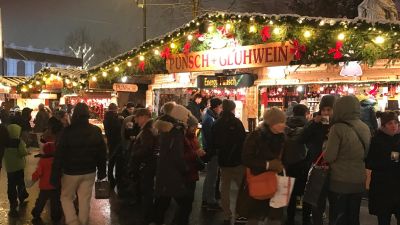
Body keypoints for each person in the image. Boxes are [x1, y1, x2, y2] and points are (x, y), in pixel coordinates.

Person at [52, 103, 107, 225]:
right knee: (84, 200)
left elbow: (59, 154)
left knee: (66, 197)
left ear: (74, 114)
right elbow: (102, 153)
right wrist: (102, 171)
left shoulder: (67, 132)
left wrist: (55, 174)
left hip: (70, 172)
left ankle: (72, 222)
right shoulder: (96, 130)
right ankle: (83, 222)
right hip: (90, 171)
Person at [324, 95, 371, 225]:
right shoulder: (364, 127)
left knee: (338, 217)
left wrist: (325, 146)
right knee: (354, 216)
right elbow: (366, 153)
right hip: (359, 179)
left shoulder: (337, 128)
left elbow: (329, 156)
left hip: (340, 180)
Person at [237, 107, 286, 225]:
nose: (283, 125)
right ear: (271, 123)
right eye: (280, 122)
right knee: (254, 216)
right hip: (259, 180)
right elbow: (246, 158)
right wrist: (268, 165)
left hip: (278, 180)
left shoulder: (283, 137)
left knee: (275, 218)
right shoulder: (256, 136)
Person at [153, 103, 193, 225]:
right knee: (185, 203)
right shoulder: (175, 132)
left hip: (164, 172)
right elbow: (177, 156)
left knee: (162, 204)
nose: (188, 118)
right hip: (172, 175)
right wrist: (185, 168)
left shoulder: (164, 129)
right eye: (186, 116)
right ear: (179, 116)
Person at [301, 95, 336, 225]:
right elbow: (301, 139)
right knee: (317, 202)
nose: (326, 113)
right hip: (318, 166)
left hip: (334, 168)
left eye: (329, 109)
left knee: (334, 202)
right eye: (324, 110)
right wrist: (314, 123)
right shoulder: (315, 124)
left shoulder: (338, 125)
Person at [212, 100, 246, 224]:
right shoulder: (237, 122)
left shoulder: (217, 123)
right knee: (241, 189)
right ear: (233, 109)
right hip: (237, 161)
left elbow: (213, 141)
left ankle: (227, 214)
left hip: (223, 160)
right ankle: (239, 213)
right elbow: (243, 141)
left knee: (224, 188)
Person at [366, 111, 400, 225]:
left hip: (397, 185)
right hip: (382, 186)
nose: (394, 125)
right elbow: (370, 162)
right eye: (390, 123)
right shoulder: (377, 140)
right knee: (384, 219)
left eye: (395, 122)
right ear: (384, 125)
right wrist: (391, 159)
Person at [129, 108, 159, 224]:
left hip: (146, 165)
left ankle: (148, 217)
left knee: (147, 191)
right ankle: (149, 215)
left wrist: (134, 154)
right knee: (147, 191)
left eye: (137, 118)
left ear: (143, 117)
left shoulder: (147, 130)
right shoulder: (150, 128)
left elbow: (146, 149)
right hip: (148, 164)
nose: (136, 121)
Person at [182, 115, 206, 225]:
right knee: (185, 202)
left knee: (189, 201)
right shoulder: (183, 138)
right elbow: (181, 155)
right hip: (186, 172)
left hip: (192, 171)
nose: (195, 129)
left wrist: (199, 152)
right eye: (194, 127)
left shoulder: (192, 137)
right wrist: (196, 153)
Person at [31, 142, 62, 223]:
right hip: (55, 185)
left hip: (44, 187)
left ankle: (36, 213)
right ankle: (56, 217)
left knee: (41, 201)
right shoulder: (57, 160)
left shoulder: (42, 161)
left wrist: (33, 177)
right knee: (55, 202)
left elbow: (38, 173)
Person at [201, 97, 223, 210]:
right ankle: (210, 201)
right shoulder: (210, 119)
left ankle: (206, 199)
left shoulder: (209, 117)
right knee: (212, 176)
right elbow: (211, 137)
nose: (221, 109)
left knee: (210, 176)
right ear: (216, 107)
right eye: (220, 107)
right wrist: (215, 148)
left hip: (210, 150)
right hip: (212, 151)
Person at [3, 123, 29, 217]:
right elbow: (23, 152)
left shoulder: (5, 142)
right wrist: (26, 150)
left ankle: (13, 202)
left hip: (9, 168)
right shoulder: (19, 142)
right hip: (18, 167)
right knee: (20, 182)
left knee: (11, 184)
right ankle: (22, 196)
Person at [103, 103, 123, 187]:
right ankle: (114, 179)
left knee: (111, 161)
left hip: (110, 140)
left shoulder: (106, 118)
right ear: (115, 109)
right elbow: (118, 128)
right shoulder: (115, 118)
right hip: (117, 141)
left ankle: (110, 178)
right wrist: (121, 120)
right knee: (116, 160)